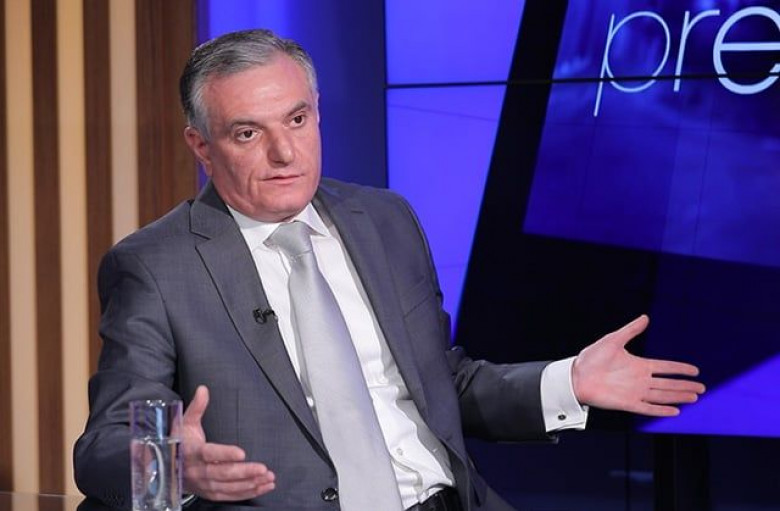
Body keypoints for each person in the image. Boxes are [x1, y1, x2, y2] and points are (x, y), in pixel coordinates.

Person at [73, 29, 705, 511]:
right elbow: (104, 446)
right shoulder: (157, 266)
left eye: (297, 119)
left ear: (317, 111)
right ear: (201, 146)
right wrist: (173, 469)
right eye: (247, 133)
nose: (285, 152)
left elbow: (441, 384)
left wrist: (567, 382)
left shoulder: (383, 219)